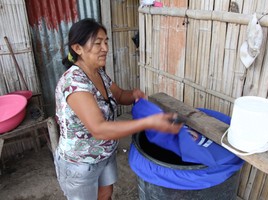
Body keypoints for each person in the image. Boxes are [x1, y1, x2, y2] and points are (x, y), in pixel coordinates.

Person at [53, 18, 182, 200]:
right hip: (80, 163)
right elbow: (99, 129)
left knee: (105, 194)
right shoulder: (74, 82)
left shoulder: (99, 73)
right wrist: (148, 122)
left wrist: (134, 94)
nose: (105, 48)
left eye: (106, 42)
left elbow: (120, 95)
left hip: (105, 153)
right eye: (98, 43)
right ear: (77, 48)